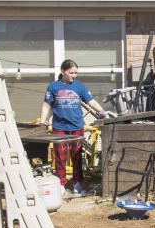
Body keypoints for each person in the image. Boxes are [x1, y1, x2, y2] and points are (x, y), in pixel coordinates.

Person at [37, 59, 108, 196]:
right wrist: (42, 120)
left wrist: (102, 111)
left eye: (76, 73)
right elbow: (47, 104)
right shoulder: (53, 86)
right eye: (71, 73)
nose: (74, 76)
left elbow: (90, 101)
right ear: (63, 71)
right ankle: (61, 184)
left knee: (76, 156)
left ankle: (77, 183)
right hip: (59, 128)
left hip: (76, 127)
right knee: (60, 158)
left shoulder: (80, 87)